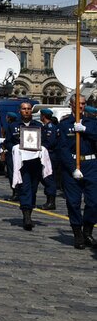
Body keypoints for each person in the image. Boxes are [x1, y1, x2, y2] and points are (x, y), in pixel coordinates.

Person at [57, 98, 97, 248]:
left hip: (91, 164)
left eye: (83, 103)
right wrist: (73, 168)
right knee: (73, 202)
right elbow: (63, 149)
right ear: (71, 105)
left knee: (94, 201)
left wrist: (86, 130)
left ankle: (88, 231)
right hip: (72, 165)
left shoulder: (92, 122)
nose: (81, 106)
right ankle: (78, 234)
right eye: (78, 103)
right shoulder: (65, 124)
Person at [6, 101, 44, 229]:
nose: (26, 111)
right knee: (25, 188)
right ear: (19, 111)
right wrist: (16, 148)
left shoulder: (38, 126)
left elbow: (46, 142)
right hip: (22, 163)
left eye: (28, 109)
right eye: (24, 109)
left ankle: (29, 211)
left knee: (33, 189)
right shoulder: (13, 126)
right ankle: (26, 216)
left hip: (35, 162)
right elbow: (8, 142)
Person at [38, 108, 61, 210]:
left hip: (50, 156)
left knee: (49, 178)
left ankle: (51, 202)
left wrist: (38, 146)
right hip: (46, 155)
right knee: (44, 178)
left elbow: (50, 143)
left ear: (43, 116)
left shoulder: (50, 128)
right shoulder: (45, 127)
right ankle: (49, 200)